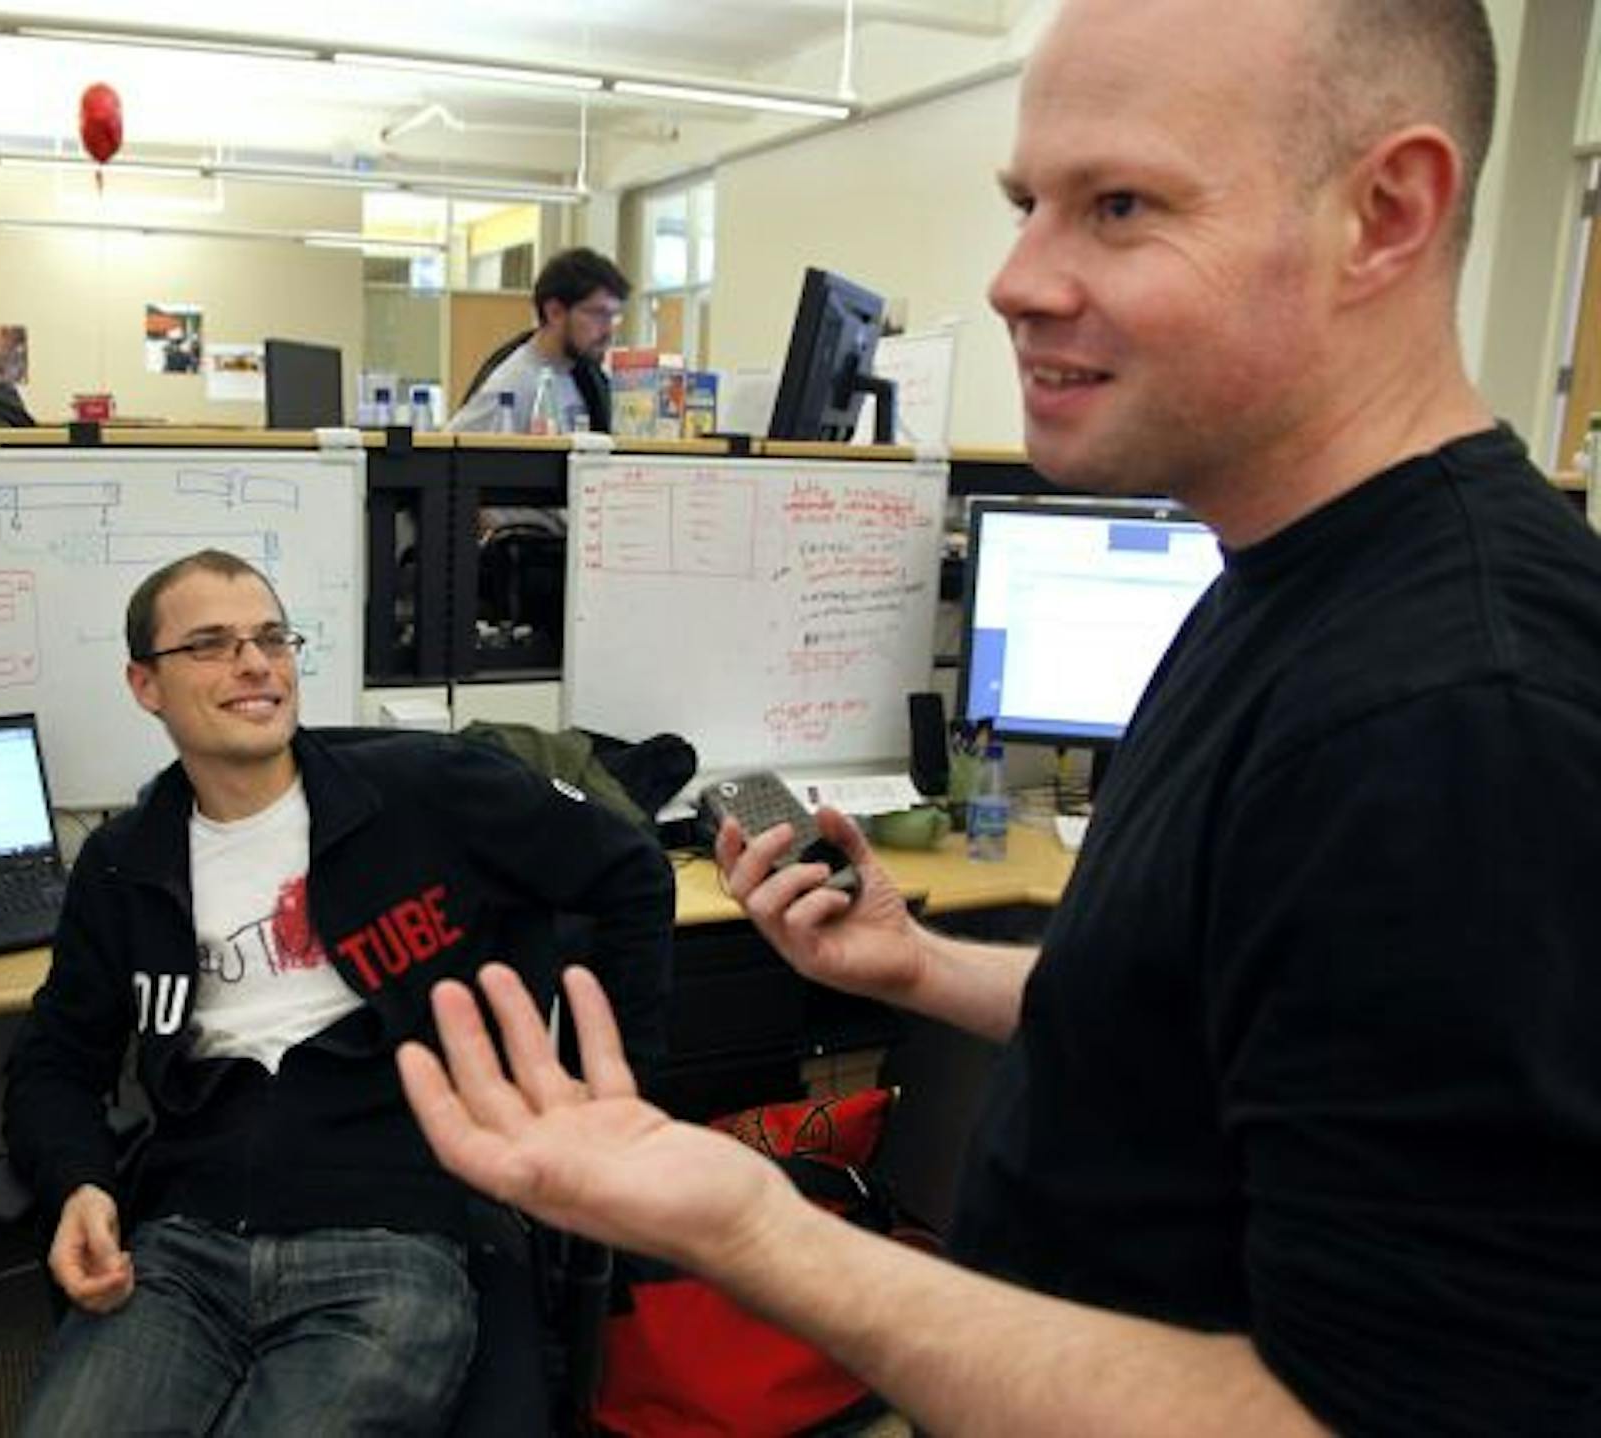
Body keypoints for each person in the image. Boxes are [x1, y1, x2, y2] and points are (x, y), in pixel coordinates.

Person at [397, 1, 1601, 1433]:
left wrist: (757, 1230)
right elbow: (1217, 1014)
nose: (1020, 279)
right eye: (1030, 205)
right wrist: (914, 967)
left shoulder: (1459, 714)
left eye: (1122, 204)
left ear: (1385, 213)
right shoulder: (1282, 574)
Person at [3, 549, 673, 1434]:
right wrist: (81, 1185)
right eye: (209, 645)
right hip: (184, 1241)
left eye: (271, 638)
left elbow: (631, 873)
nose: (254, 663)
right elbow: (55, 1059)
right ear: (145, 684)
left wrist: (603, 1088)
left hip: (392, 1235)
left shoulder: (425, 794)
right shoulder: (127, 861)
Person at [448, 247, 628, 434]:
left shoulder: (588, 379)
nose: (608, 330)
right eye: (598, 314)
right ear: (554, 312)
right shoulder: (513, 385)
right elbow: (447, 454)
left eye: (614, 316)